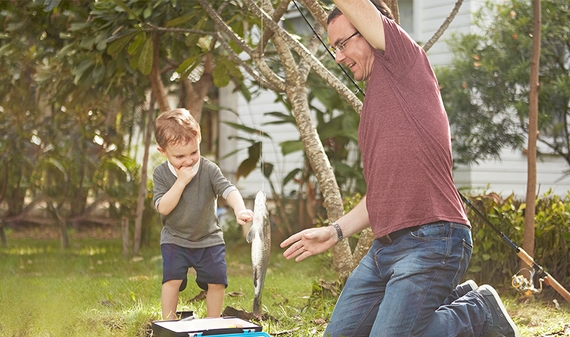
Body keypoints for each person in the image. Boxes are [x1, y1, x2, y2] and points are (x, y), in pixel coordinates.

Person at [280, 1, 519, 336]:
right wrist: (334, 233)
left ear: (369, 30)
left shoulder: (405, 61)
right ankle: (454, 299)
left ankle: (477, 311)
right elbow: (380, 195)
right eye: (333, 48)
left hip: (433, 240)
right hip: (384, 249)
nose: (337, 57)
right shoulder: (373, 110)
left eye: (342, 44)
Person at [153, 108, 254, 320]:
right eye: (180, 156)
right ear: (163, 151)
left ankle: (212, 321)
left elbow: (229, 190)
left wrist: (239, 209)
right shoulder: (161, 174)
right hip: (175, 238)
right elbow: (163, 207)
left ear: (199, 141)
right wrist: (181, 182)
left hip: (208, 237)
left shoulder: (208, 169)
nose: (189, 160)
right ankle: (169, 323)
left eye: (194, 152)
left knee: (217, 281)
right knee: (171, 281)